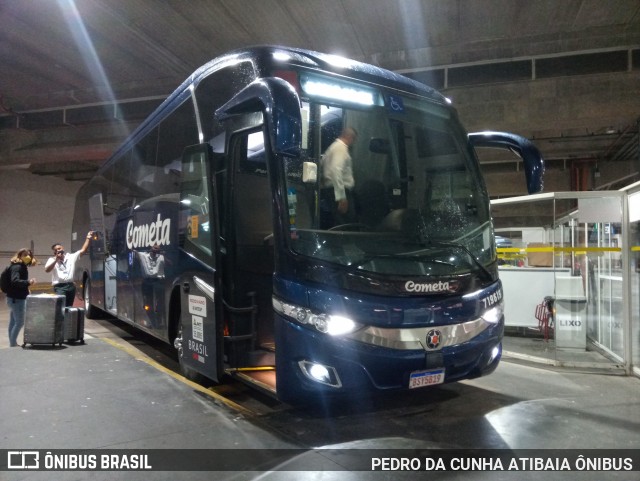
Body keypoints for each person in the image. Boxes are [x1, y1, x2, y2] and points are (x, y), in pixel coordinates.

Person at [320, 127, 357, 228]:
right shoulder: (341, 148)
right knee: (346, 224)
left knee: (337, 222)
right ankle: (345, 244)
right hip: (339, 191)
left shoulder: (332, 148)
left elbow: (322, 167)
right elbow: (336, 170)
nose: (352, 143)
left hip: (331, 190)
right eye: (353, 139)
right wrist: (341, 197)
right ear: (349, 137)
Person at [45, 232, 93, 307]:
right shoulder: (52, 260)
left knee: (69, 306)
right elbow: (47, 270)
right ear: (54, 252)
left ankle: (68, 318)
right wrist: (56, 260)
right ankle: (61, 318)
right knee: (61, 305)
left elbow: (83, 250)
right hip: (60, 287)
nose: (58, 250)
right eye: (56, 250)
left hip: (70, 286)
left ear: (63, 248)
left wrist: (88, 238)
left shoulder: (70, 257)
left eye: (59, 248)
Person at [6, 248, 36, 347]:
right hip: (16, 299)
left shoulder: (21, 266)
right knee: (19, 322)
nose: (27, 256)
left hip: (15, 297)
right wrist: (28, 282)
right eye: (25, 254)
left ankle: (12, 343)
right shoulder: (17, 267)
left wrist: (26, 288)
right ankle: (13, 344)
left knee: (13, 321)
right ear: (19, 255)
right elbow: (15, 281)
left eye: (29, 255)